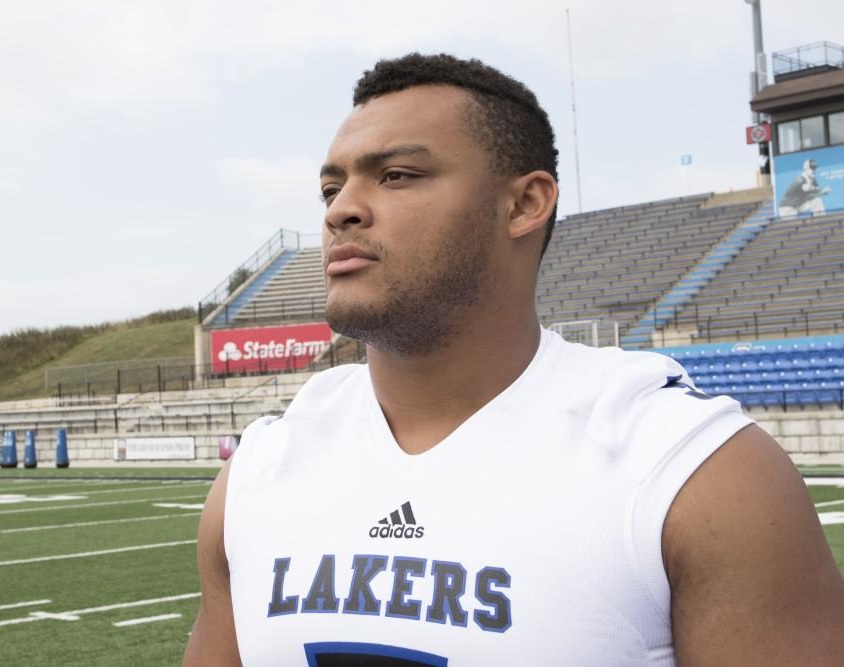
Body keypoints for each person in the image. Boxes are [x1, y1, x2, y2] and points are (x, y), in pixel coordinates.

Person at [184, 53, 844, 665]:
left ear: (525, 203)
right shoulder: (257, 474)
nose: (342, 211)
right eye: (331, 189)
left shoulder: (692, 474)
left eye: (397, 176)